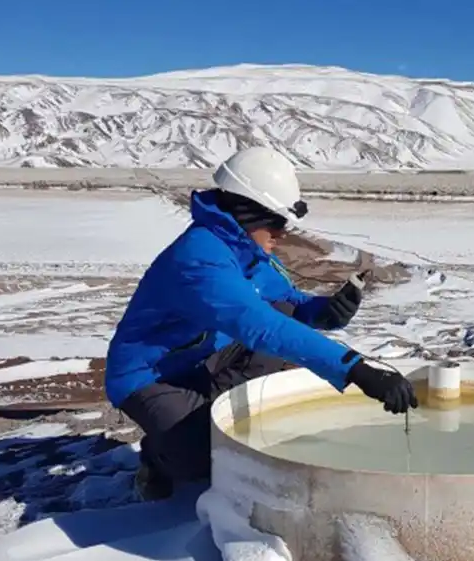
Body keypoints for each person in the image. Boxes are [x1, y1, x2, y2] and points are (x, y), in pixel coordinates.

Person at [104, 146, 418, 500]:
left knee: (278, 320)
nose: (283, 233)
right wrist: (355, 369)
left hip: (208, 355)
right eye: (278, 221)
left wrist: (323, 311)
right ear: (248, 212)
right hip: (151, 376)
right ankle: (157, 458)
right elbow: (260, 327)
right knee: (202, 458)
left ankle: (213, 414)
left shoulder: (246, 251)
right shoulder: (200, 260)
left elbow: (288, 302)